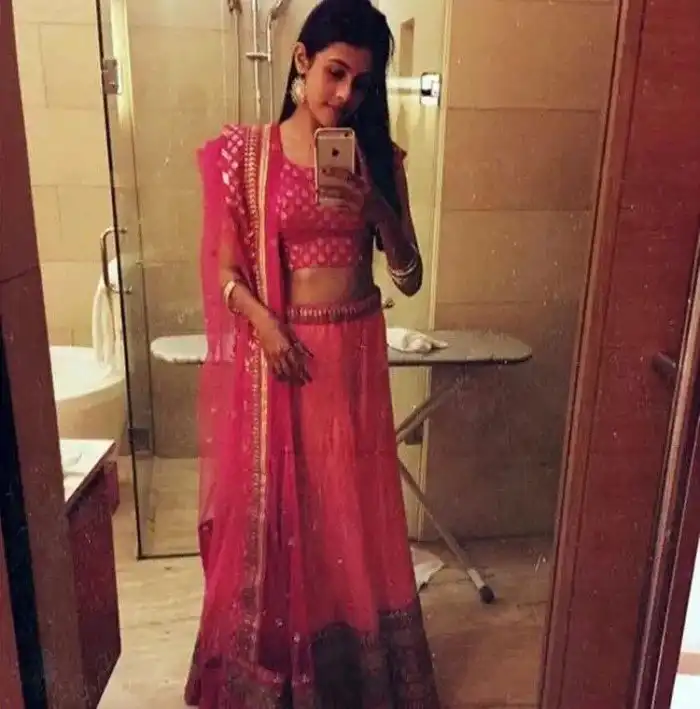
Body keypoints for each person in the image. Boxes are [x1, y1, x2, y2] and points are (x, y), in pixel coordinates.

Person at [185, 0, 441, 706]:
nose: (346, 94)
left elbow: (409, 277)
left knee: (349, 512)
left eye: (361, 82)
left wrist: (378, 211)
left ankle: (350, 666)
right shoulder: (248, 155)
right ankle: (283, 670)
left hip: (354, 359)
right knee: (289, 513)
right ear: (301, 61)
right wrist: (266, 327)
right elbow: (227, 273)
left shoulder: (379, 158)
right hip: (285, 359)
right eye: (335, 73)